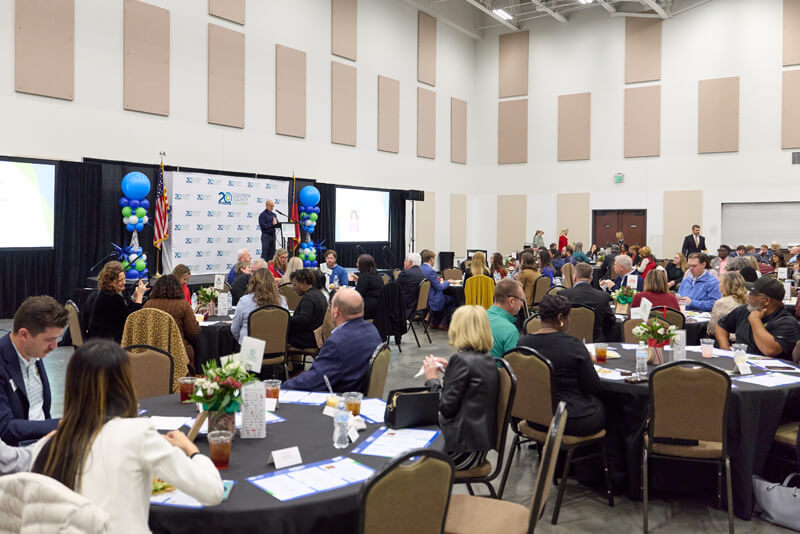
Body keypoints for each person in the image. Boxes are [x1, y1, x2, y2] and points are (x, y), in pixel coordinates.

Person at [30, 339, 222, 534]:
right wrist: (192, 450)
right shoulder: (137, 434)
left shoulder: (45, 447)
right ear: (124, 383)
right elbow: (213, 492)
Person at [422, 306, 499, 470]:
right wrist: (450, 370)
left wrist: (432, 380)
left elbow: (446, 408)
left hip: (459, 451)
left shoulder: (462, 360)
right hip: (477, 447)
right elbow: (470, 386)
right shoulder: (488, 359)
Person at [517, 294, 604, 436]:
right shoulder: (573, 346)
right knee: (610, 407)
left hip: (535, 416)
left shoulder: (523, 343)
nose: (570, 320)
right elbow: (593, 386)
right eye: (568, 317)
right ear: (560, 318)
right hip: (568, 419)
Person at [282, 289, 381, 392]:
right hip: (358, 392)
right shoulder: (372, 331)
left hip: (339, 395)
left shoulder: (337, 342)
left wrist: (283, 387)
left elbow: (315, 380)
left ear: (336, 312)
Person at [0, 296, 66, 445]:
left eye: (57, 339)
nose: (54, 346)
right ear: (24, 335)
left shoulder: (34, 351)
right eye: (49, 340)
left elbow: (41, 410)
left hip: (43, 441)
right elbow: (5, 427)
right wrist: (60, 424)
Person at [715, 277, 800, 360]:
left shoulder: (787, 323)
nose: (748, 297)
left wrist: (755, 320)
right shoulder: (745, 310)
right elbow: (721, 326)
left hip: (768, 367)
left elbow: (770, 350)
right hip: (740, 361)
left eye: (752, 294)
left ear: (766, 300)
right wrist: (726, 350)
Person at [141, 275, 201, 372]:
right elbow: (194, 332)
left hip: (152, 352)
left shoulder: (148, 305)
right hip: (179, 354)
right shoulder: (183, 305)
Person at [87, 261, 148, 343]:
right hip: (108, 344)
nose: (124, 282)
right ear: (110, 282)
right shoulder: (113, 298)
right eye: (120, 280)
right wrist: (140, 296)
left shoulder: (105, 295)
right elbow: (132, 322)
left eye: (124, 279)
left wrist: (134, 297)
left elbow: (125, 313)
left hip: (98, 341)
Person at [231, 268, 288, 345]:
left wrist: (240, 341)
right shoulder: (282, 300)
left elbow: (235, 328)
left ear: (252, 282)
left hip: (250, 347)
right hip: (276, 346)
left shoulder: (244, 301)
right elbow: (285, 324)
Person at [560, 263, 615, 342]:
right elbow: (610, 320)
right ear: (591, 278)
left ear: (574, 277)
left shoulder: (563, 294)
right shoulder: (603, 296)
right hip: (595, 340)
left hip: (567, 340)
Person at [287, 269, 328, 349]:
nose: (293, 289)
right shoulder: (319, 294)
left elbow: (304, 319)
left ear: (303, 283)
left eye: (295, 285)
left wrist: (287, 319)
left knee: (279, 336)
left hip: (309, 339)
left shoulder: (308, 298)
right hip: (318, 336)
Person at [487, 279, 525, 359]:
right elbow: (514, 364)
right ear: (512, 301)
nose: (522, 304)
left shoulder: (477, 319)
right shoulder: (510, 330)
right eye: (521, 300)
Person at [420, 250, 455, 329]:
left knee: (445, 297)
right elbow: (439, 287)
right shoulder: (431, 271)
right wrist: (448, 282)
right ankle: (443, 323)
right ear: (431, 260)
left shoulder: (420, 268)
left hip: (424, 298)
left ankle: (434, 322)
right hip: (433, 298)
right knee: (452, 300)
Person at [708, 271, 748, 337]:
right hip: (745, 338)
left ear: (726, 285)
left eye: (720, 282)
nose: (718, 285)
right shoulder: (749, 301)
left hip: (726, 339)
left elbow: (712, 329)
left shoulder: (721, 302)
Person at [396, 252, 427, 319]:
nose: (404, 263)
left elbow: (394, 288)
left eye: (405, 261)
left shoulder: (406, 273)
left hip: (406, 308)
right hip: (418, 309)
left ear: (409, 262)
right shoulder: (421, 273)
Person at [354, 254, 383, 321]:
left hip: (368, 309)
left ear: (363, 264)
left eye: (358, 263)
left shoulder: (364, 276)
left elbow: (358, 295)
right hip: (379, 308)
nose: (356, 264)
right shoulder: (377, 275)